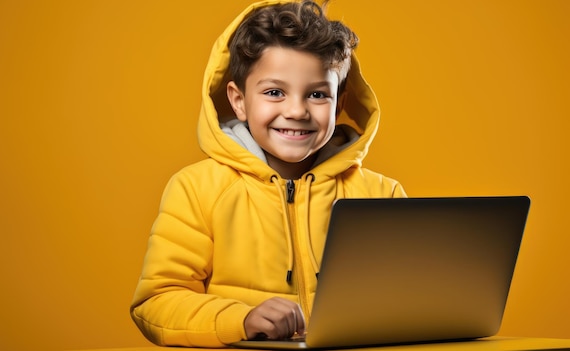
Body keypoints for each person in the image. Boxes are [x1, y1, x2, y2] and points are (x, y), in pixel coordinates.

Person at [130, 0, 406, 347]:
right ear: (239, 100)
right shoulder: (196, 189)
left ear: (339, 104)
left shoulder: (381, 194)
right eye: (275, 92)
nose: (296, 110)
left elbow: (409, 301)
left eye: (318, 94)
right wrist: (241, 319)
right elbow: (156, 303)